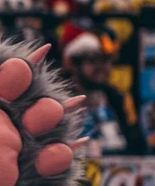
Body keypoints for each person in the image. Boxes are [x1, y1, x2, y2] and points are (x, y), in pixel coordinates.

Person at [61, 24, 143, 156]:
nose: (102, 67)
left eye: (106, 60)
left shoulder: (118, 99)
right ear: (74, 65)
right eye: (93, 60)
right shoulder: (60, 101)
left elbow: (137, 145)